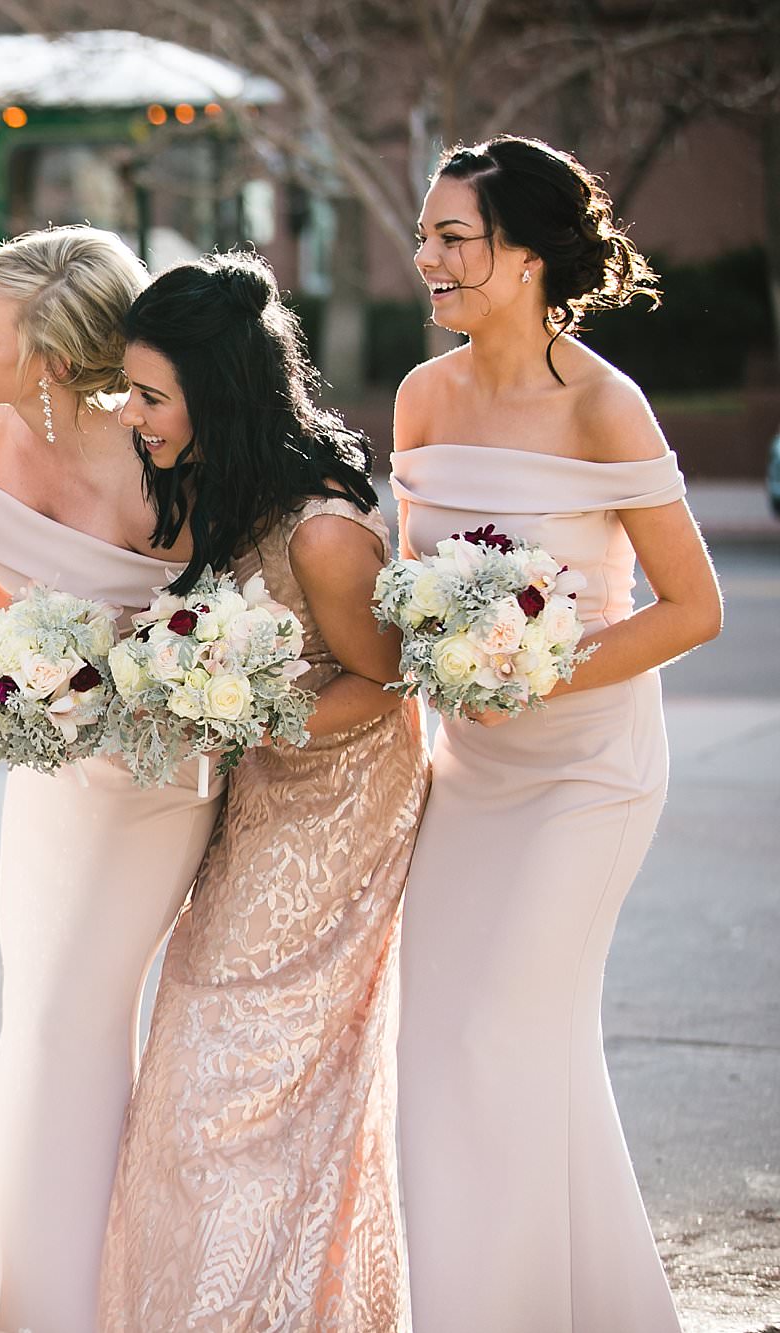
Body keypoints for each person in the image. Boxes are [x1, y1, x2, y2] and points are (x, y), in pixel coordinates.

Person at [395, 135, 720, 1333]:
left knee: (496, 1035)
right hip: (464, 772)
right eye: (423, 234)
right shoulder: (420, 395)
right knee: (449, 1043)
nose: (425, 257)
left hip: (586, 768)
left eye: (452, 238)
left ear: (525, 256)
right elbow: (408, 584)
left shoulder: (600, 404)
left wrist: (536, 671)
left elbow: (695, 608)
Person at [96, 252, 427, 1331]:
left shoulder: (323, 531)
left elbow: (386, 686)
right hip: (255, 802)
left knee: (220, 1081)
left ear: (215, 390)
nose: (129, 413)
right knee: (198, 1067)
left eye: (148, 394)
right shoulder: (223, 492)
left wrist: (247, 714)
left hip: (335, 813)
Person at [0, 226, 220, 1333]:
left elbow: (220, 624)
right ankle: (29, 1294)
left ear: (53, 357)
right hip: (50, 770)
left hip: (154, 778)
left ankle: (80, 1301)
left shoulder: (167, 450)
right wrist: (19, 678)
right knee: (36, 1014)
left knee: (79, 1011)